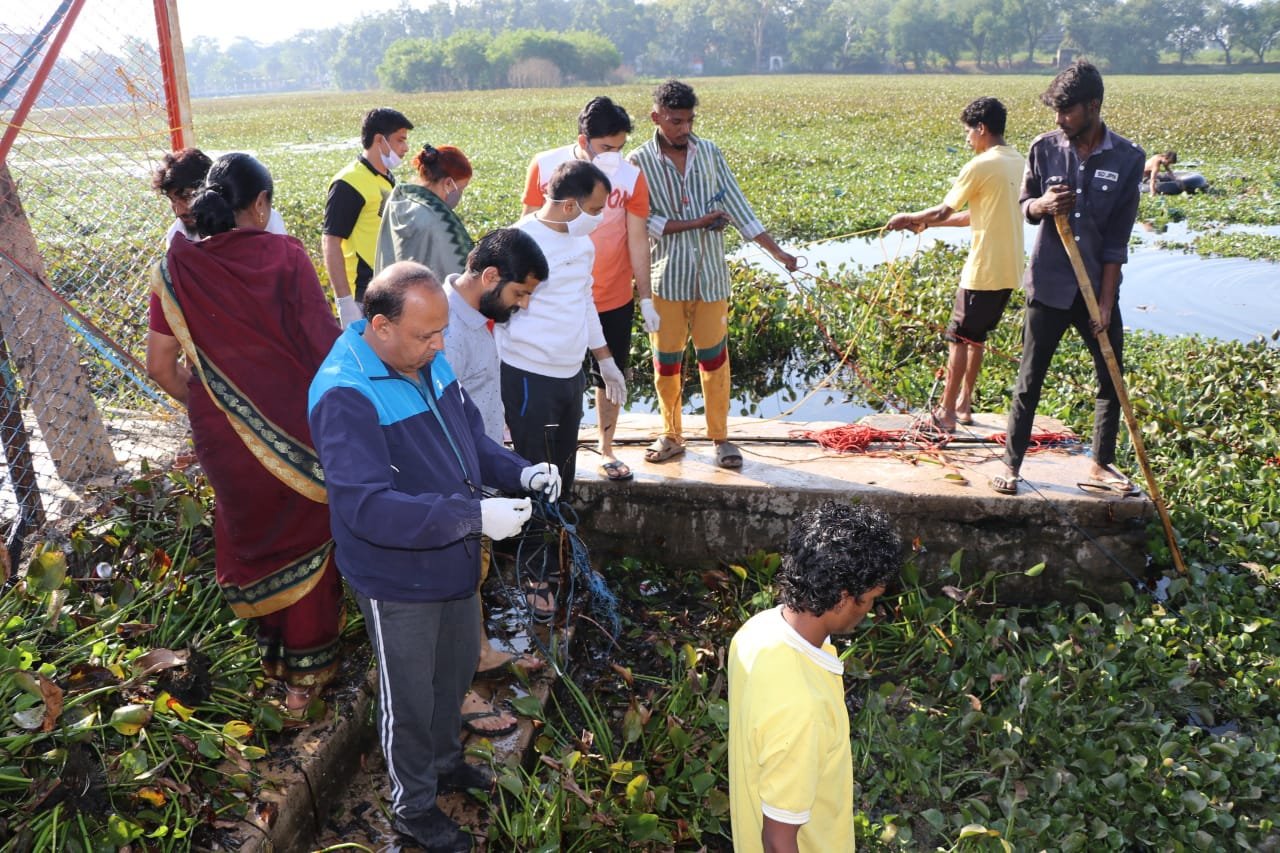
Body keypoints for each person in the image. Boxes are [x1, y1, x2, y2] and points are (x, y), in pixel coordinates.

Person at [307, 261, 561, 853]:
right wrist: (474, 517)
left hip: (451, 555)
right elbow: (367, 508)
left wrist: (521, 472)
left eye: (442, 331)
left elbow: (470, 440)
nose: (441, 344)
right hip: (396, 574)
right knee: (409, 696)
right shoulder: (345, 393)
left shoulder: (424, 358)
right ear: (379, 326)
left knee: (452, 674)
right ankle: (412, 806)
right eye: (427, 334)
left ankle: (447, 761)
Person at [145, 153, 342, 718]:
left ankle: (272, 662)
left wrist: (214, 405)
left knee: (256, 538)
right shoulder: (284, 256)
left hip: (220, 434)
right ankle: (303, 687)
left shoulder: (175, 268)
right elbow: (321, 346)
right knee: (308, 537)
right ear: (260, 204)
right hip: (296, 429)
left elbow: (161, 366)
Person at [990, 60, 1145, 497]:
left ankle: (1100, 464)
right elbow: (1025, 205)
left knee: (1110, 377)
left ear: (1093, 106)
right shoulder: (1044, 148)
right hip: (1050, 283)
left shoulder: (1128, 158)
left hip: (1096, 286)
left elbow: (1118, 239)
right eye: (1056, 111)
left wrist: (1105, 301)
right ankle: (1012, 463)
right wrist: (1042, 205)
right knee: (1030, 378)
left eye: (1067, 111)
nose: (1059, 120)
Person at [629, 80, 798, 470]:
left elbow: (741, 209)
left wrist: (780, 254)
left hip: (711, 280)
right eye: (675, 121)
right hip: (665, 279)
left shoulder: (710, 154)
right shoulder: (638, 161)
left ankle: (721, 438)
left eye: (689, 120)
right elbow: (642, 222)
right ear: (656, 117)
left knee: (715, 361)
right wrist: (697, 222)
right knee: (666, 364)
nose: (684, 129)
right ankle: (671, 435)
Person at [728, 500, 901, 853]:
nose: (869, 611)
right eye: (869, 600)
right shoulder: (804, 709)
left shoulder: (757, 632)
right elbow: (778, 842)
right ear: (841, 599)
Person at [500, 159, 626, 621]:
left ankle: (559, 553)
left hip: (569, 372)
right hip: (530, 373)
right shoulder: (520, 241)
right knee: (537, 473)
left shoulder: (582, 241)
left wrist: (605, 360)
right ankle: (535, 574)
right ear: (570, 204)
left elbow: (584, 300)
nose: (601, 216)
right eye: (596, 208)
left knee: (565, 470)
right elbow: (497, 309)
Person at [443, 229, 550, 738]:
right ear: (490, 277)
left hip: (479, 471)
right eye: (519, 293)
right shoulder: (443, 329)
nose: (523, 305)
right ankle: (457, 686)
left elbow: (477, 404)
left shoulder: (475, 319)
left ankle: (481, 650)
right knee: (454, 580)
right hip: (451, 482)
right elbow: (440, 426)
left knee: (476, 572)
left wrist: (507, 453)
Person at [521, 96, 658, 482]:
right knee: (553, 372)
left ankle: (607, 447)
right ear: (583, 139)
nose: (614, 155)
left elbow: (636, 239)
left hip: (611, 293)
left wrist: (644, 295)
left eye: (620, 147)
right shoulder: (546, 166)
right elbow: (528, 225)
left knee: (609, 375)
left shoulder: (630, 177)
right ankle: (545, 449)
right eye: (605, 148)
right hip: (553, 295)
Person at [886, 97, 1025, 433]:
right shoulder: (1018, 161)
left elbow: (943, 210)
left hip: (984, 267)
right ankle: (964, 404)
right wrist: (928, 225)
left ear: (982, 128)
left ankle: (946, 414)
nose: (966, 139)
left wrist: (910, 218)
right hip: (1011, 269)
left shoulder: (980, 165)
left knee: (958, 338)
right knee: (976, 338)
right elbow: (968, 217)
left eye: (968, 131)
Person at [323, 107, 414, 328]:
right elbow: (330, 242)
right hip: (360, 295)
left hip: (385, 290)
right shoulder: (349, 183)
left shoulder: (386, 178)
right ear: (380, 140)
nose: (406, 148)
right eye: (400, 140)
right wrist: (345, 301)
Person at [376, 143, 475, 278]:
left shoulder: (399, 200)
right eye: (461, 188)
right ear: (448, 183)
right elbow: (461, 274)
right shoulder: (436, 220)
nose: (460, 194)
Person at [151, 147, 285, 245]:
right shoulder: (177, 235)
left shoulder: (262, 218)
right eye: (172, 200)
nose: (179, 210)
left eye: (187, 196)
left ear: (210, 189)